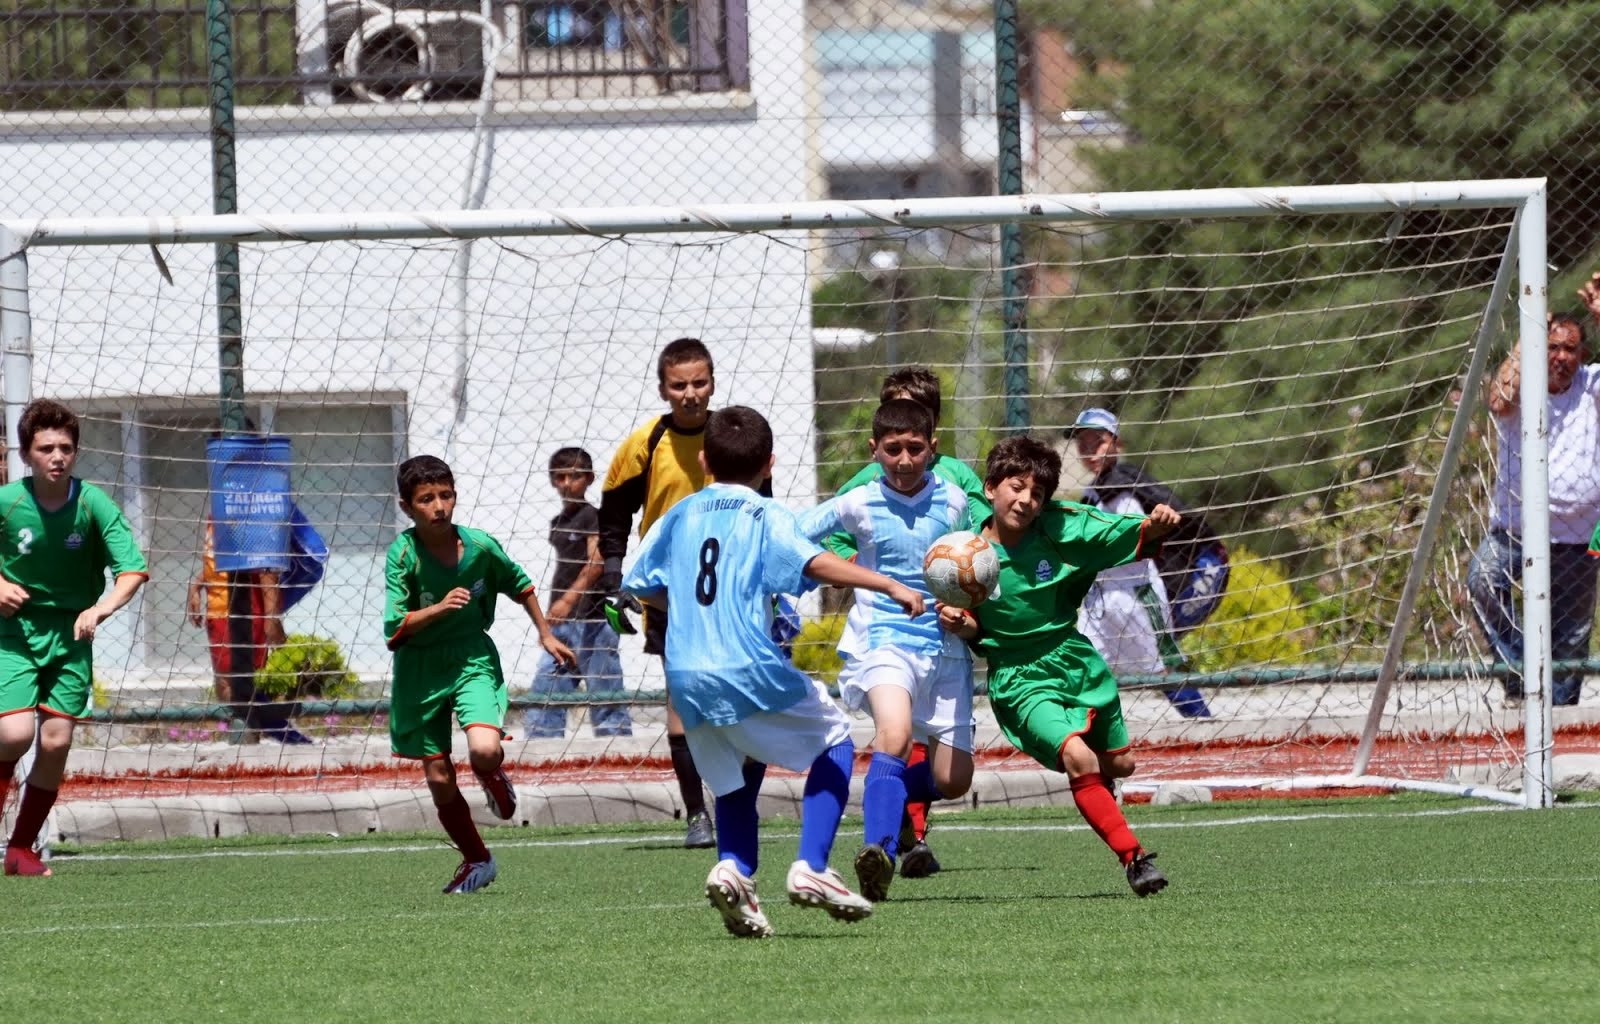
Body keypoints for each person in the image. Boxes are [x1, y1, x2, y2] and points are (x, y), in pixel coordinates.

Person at [622, 406, 926, 937]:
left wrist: (693, 608)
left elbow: (641, 583)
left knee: (737, 773)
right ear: (769, 464)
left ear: (703, 460)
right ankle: (812, 866)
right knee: (835, 740)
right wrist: (888, 584)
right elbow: (813, 562)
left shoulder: (679, 514)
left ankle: (734, 871)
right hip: (745, 663)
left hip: (686, 674)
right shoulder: (765, 514)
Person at [939, 434, 1174, 897]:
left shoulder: (1061, 530)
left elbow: (1117, 532)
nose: (1026, 500)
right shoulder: (964, 554)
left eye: (1037, 493)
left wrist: (1156, 526)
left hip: (1074, 661)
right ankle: (1134, 859)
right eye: (1016, 487)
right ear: (990, 488)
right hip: (1019, 679)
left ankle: (1097, 786)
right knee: (1077, 757)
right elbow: (974, 629)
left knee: (1122, 765)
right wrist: (960, 624)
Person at [799, 399, 975, 901]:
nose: (903, 459)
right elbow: (794, 538)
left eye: (915, 448)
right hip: (884, 642)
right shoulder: (857, 502)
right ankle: (878, 852)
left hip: (945, 649)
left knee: (953, 780)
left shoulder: (954, 502)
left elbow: (974, 566)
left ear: (933, 448)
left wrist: (966, 609)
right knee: (893, 736)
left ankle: (890, 796)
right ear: (874, 449)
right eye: (892, 449)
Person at [384, 454, 576, 894]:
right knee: (438, 776)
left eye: (446, 495)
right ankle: (477, 859)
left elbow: (520, 584)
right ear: (407, 506)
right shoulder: (403, 554)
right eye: (426, 499)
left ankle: (491, 774)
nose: (439, 507)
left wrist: (545, 633)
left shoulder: (480, 547)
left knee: (485, 750)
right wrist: (438, 608)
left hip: (471, 657)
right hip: (420, 667)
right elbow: (394, 626)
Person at [0, 399, 149, 877]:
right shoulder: (8, 502)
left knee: (56, 740)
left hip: (70, 635)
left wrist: (99, 608)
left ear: (76, 452)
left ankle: (21, 851)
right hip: (14, 632)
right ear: (27, 454)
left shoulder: (92, 503)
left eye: (65, 448)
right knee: (14, 734)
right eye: (46, 448)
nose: (57, 456)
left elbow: (132, 570)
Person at [598, 337, 736, 849]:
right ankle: (697, 815)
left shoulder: (731, 436)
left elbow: (761, 504)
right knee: (681, 701)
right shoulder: (644, 444)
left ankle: (735, 804)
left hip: (730, 590)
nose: (690, 393)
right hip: (668, 594)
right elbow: (614, 516)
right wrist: (616, 580)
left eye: (699, 382)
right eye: (679, 385)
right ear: (663, 389)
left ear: (712, 384)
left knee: (734, 702)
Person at [1468, 312, 1600, 706]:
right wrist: (1528, 336)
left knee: (1573, 633)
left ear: (1582, 354)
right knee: (1482, 581)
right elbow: (1497, 401)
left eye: (1570, 349)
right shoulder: (1522, 387)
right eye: (1552, 347)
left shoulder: (1590, 385)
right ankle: (1520, 673)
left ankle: (1559, 716)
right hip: (1515, 528)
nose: (1560, 356)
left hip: (1585, 534)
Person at [1067, 408, 1229, 719]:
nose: (1089, 449)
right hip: (1100, 598)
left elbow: (1151, 534)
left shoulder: (1127, 486)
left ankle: (1203, 724)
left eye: (1097, 441)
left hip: (1136, 596)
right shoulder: (1093, 493)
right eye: (1082, 442)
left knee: (1163, 669)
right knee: (1084, 668)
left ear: (1117, 444)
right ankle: (1085, 735)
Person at [525, 447, 633, 739]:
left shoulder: (592, 517)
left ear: (589, 479)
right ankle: (541, 749)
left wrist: (568, 600)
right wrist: (549, 623)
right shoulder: (558, 522)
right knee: (546, 691)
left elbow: (596, 562)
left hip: (593, 621)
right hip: (562, 623)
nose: (566, 483)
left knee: (605, 693)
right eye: (559, 477)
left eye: (574, 476)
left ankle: (617, 750)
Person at [187, 519, 312, 744]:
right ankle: (275, 736)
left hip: (237, 610)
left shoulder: (245, 513)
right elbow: (218, 561)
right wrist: (196, 586)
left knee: (232, 687)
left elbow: (265, 568)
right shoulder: (218, 512)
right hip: (218, 610)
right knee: (230, 686)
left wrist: (271, 618)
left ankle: (287, 738)